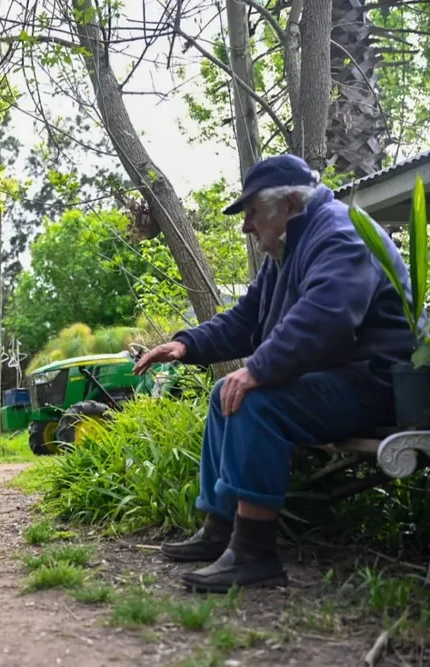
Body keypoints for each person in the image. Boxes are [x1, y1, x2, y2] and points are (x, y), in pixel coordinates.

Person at [133, 154, 415, 593]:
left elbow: (328, 318)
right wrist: (186, 344)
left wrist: (258, 371)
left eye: (251, 212)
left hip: (373, 382)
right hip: (336, 377)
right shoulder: (289, 248)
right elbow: (246, 319)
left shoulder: (340, 234)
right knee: (225, 391)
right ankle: (220, 530)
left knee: (255, 400)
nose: (246, 225)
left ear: (286, 204)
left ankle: (254, 553)